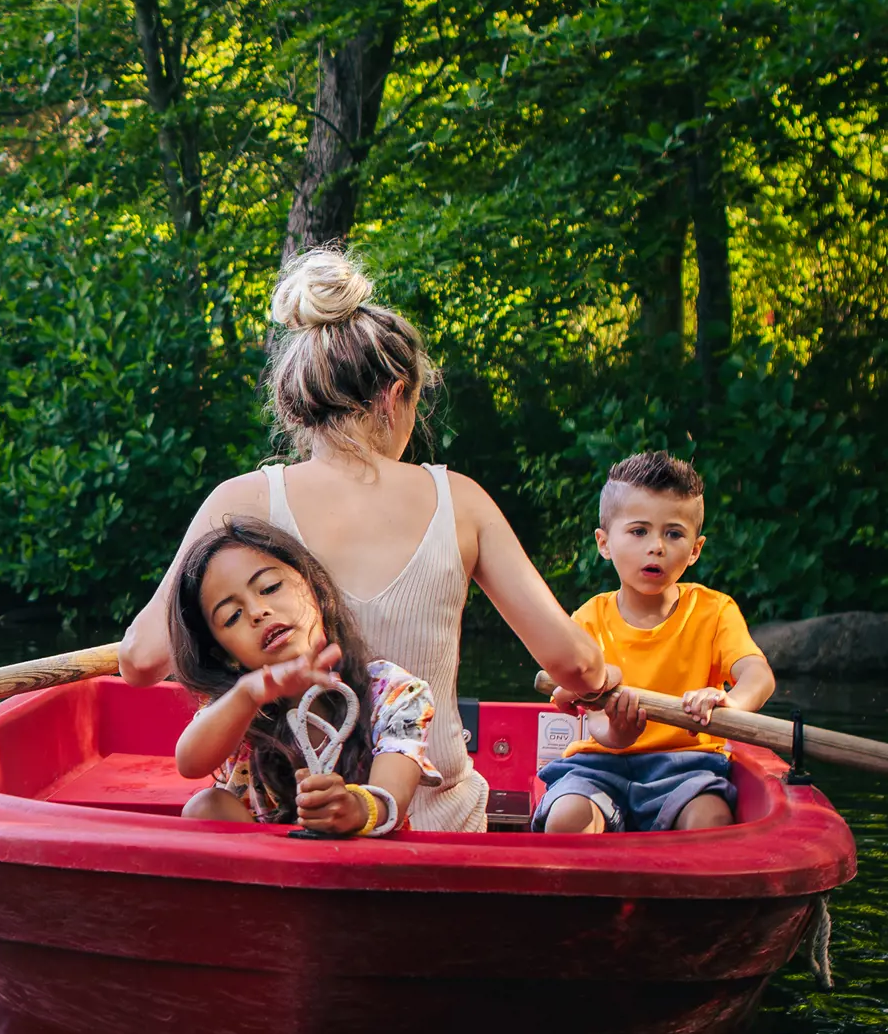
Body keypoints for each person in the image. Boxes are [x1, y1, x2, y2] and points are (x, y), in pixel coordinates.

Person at [121, 247, 616, 832]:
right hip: (436, 830)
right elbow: (572, 663)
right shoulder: (460, 499)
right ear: (394, 394)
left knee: (209, 808)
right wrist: (605, 684)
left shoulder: (241, 501)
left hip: (278, 832)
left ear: (299, 407)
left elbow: (140, 661)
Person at [538, 451, 776, 833]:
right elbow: (597, 723)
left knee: (709, 820)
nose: (657, 547)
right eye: (638, 531)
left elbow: (757, 674)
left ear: (695, 549)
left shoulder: (714, 611)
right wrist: (620, 733)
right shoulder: (587, 620)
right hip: (599, 765)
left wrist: (733, 701)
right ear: (604, 543)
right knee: (567, 819)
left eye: (674, 533)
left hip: (688, 767)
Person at [169, 518, 442, 834]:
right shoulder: (239, 704)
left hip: (366, 867)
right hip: (268, 873)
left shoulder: (392, 690)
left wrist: (354, 808)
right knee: (205, 806)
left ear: (314, 586)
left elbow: (392, 797)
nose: (258, 611)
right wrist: (247, 694)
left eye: (270, 588)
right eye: (232, 617)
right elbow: (190, 763)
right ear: (225, 655)